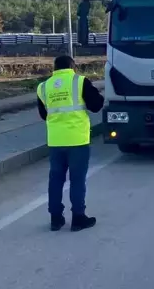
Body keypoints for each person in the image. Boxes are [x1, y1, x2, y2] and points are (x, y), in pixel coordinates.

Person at [37, 54, 105, 231]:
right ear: (72, 66)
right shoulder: (80, 81)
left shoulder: (44, 87)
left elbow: (44, 115)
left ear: (55, 68)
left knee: (56, 179)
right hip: (77, 140)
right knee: (77, 180)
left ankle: (55, 219)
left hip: (55, 141)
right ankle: (78, 218)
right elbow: (97, 105)